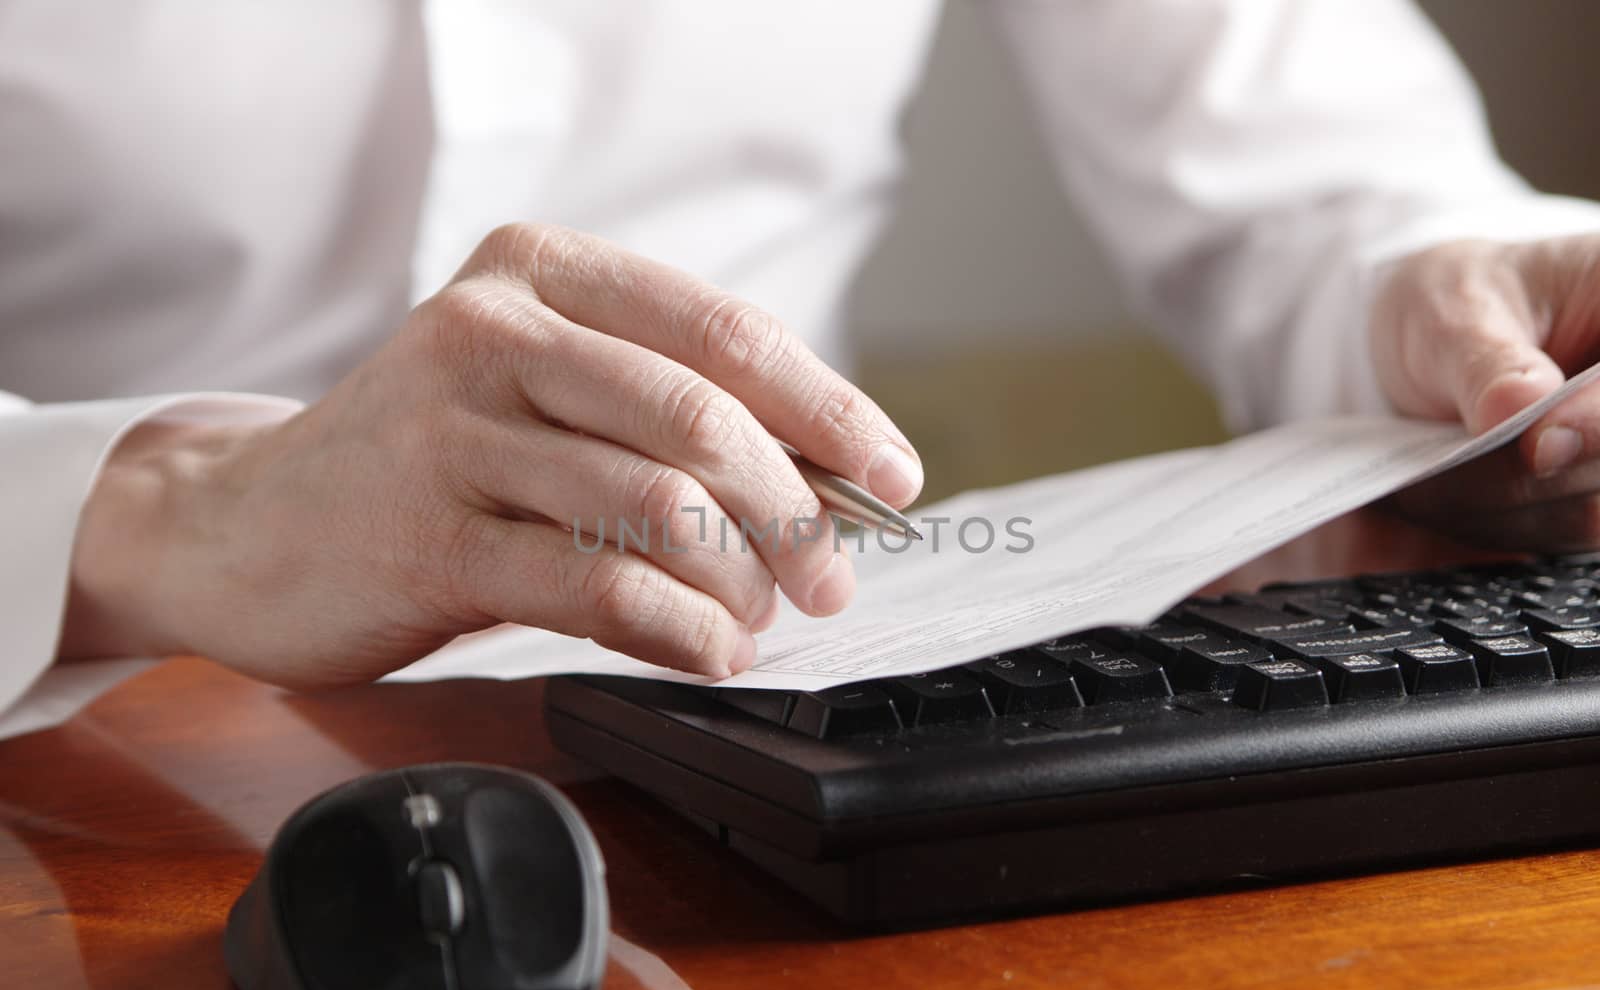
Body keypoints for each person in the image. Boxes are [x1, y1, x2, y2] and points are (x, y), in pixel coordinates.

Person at [6, 0, 1600, 737]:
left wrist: (1448, 302)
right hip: (92, 766)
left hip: (778, 725)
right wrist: (181, 505)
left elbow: (1310, 158)